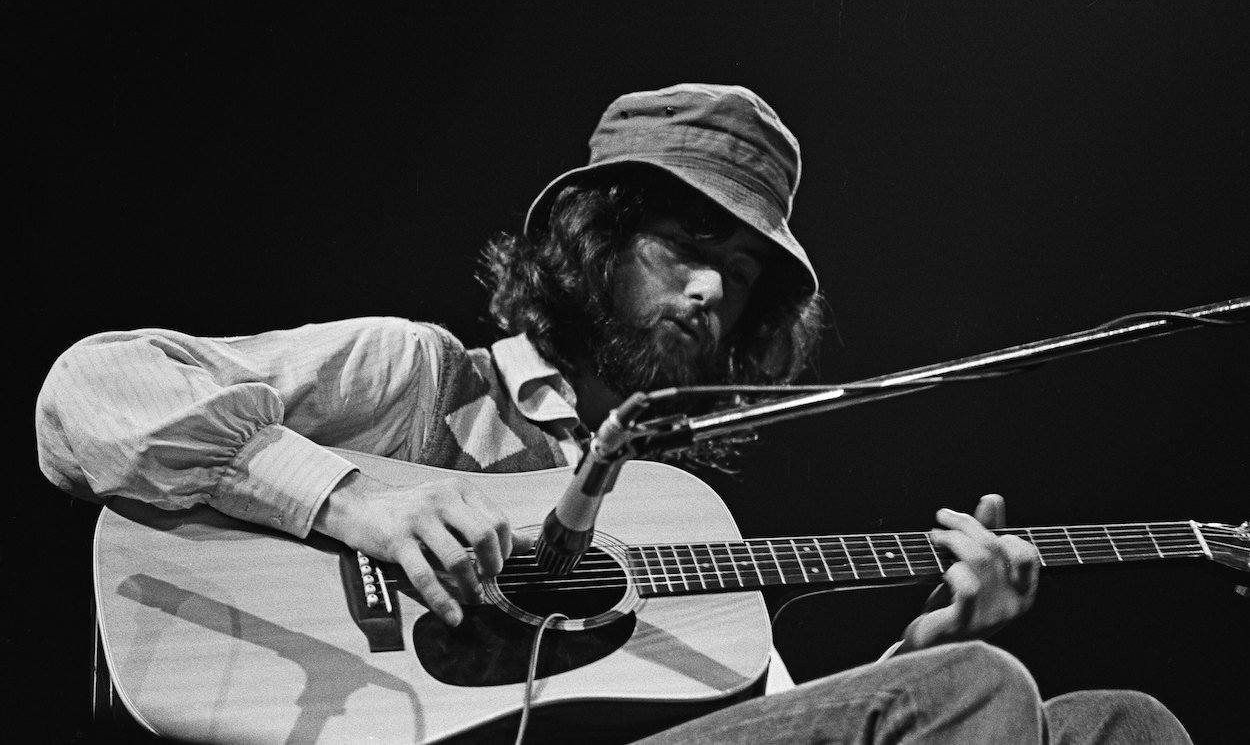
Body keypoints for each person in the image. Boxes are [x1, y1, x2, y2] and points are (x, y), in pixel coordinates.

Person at [36, 83, 1192, 743]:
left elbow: (773, 715)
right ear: (590, 243)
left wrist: (929, 643)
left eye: (739, 273)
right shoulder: (418, 378)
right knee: (980, 701)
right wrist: (352, 501)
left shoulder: (668, 504)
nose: (708, 290)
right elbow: (92, 390)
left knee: (1119, 724)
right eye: (684, 247)